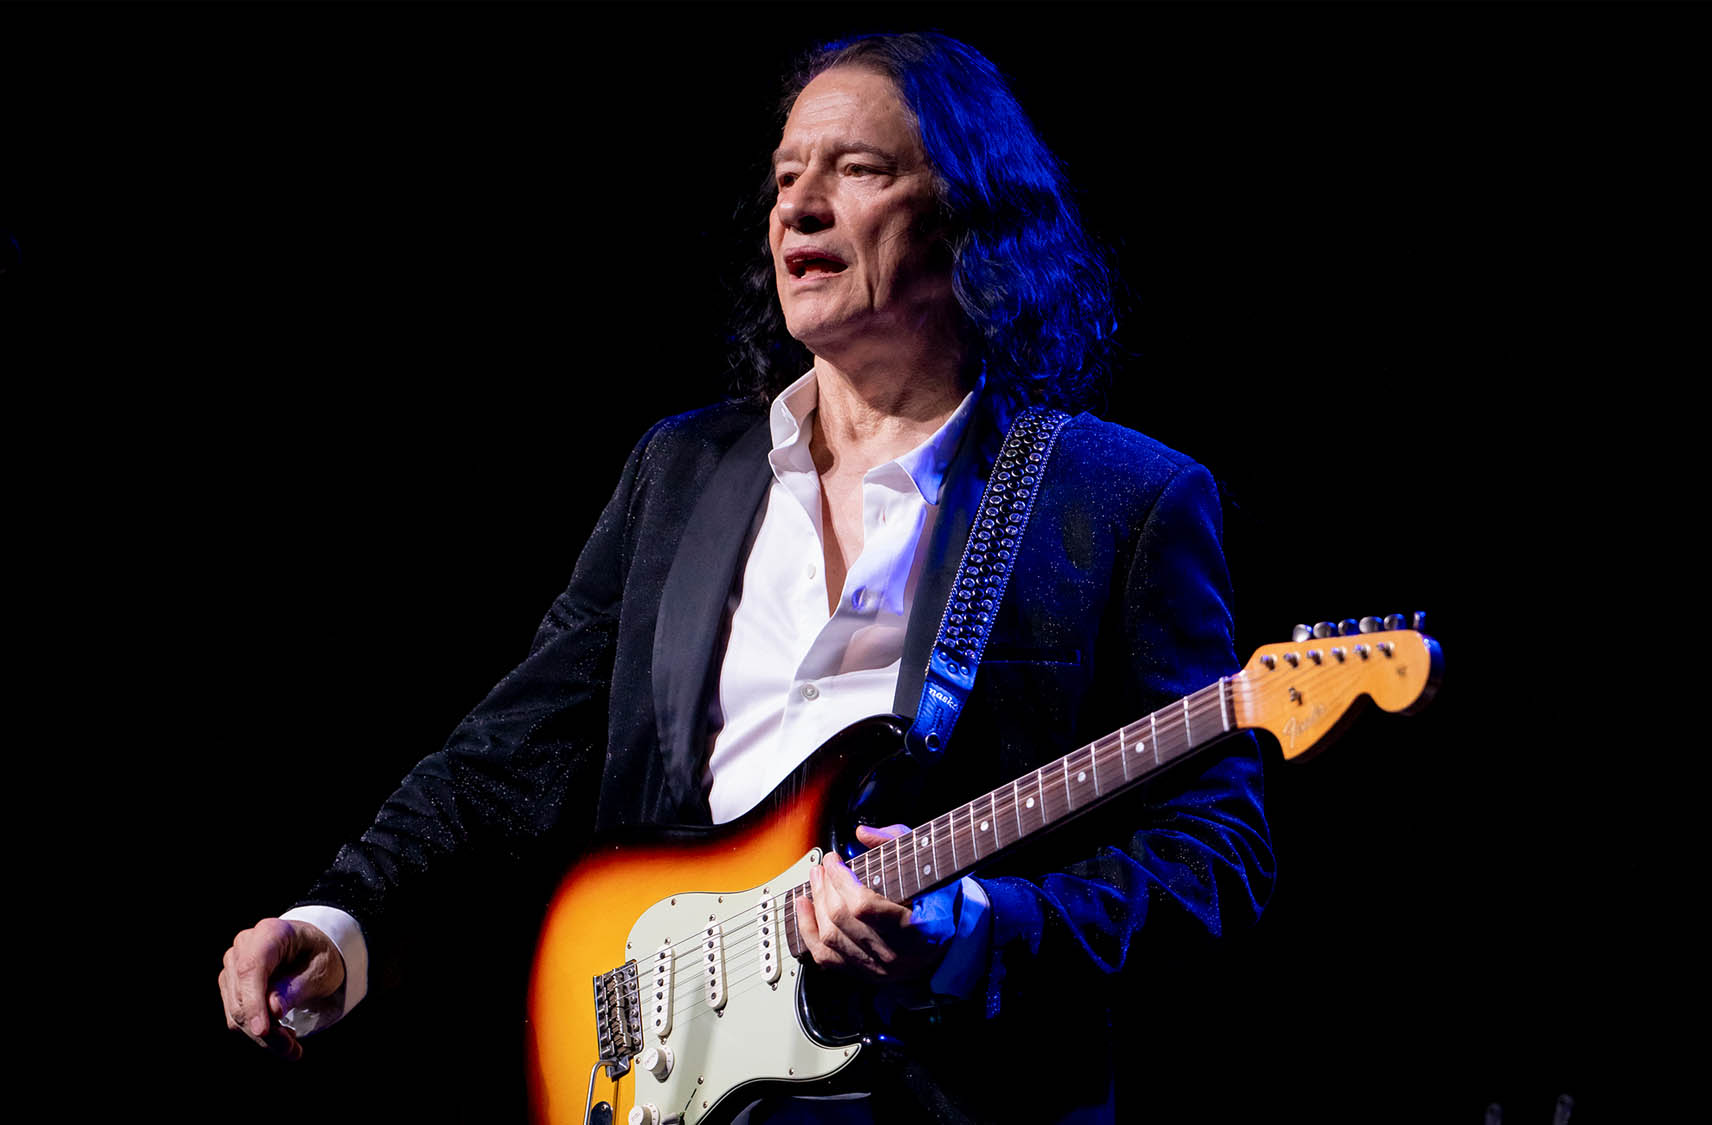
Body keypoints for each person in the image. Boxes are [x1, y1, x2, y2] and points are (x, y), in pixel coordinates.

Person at [218, 31, 1273, 1123]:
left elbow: (1216, 855)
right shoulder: (679, 471)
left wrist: (984, 928)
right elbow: (508, 757)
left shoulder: (1120, 499)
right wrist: (347, 915)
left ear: (973, 216)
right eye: (784, 178)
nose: (798, 208)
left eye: (857, 169)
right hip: (653, 1074)